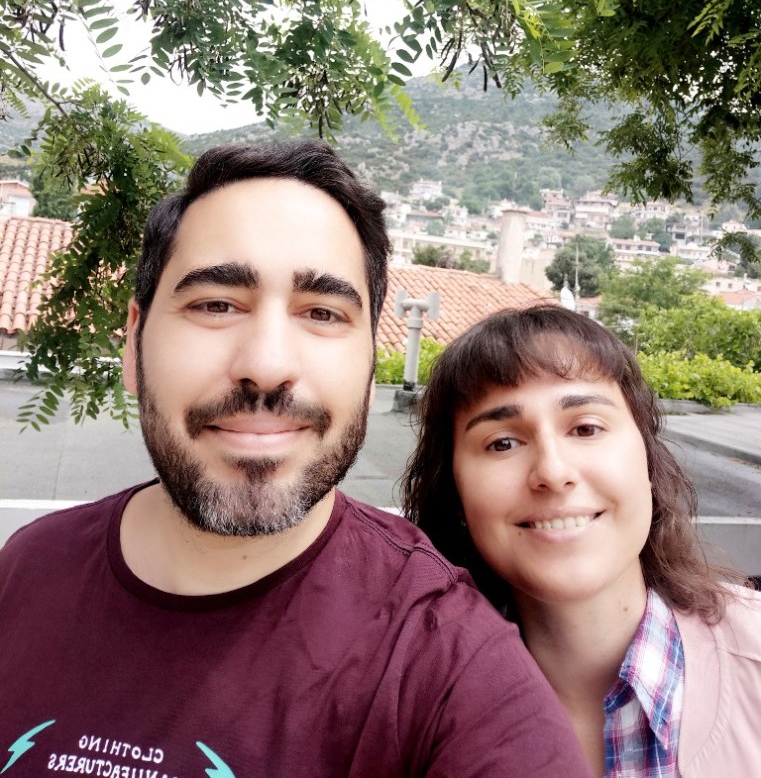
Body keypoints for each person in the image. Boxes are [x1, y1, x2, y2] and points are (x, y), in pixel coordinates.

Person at [0, 141, 592, 778]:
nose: (266, 365)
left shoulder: (449, 663)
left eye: (322, 313)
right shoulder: (26, 569)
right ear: (133, 343)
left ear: (370, 366)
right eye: (216, 304)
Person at [402, 304, 761, 778]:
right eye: (502, 443)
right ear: (456, 496)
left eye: (586, 428)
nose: (552, 472)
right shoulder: (403, 700)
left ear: (648, 463)